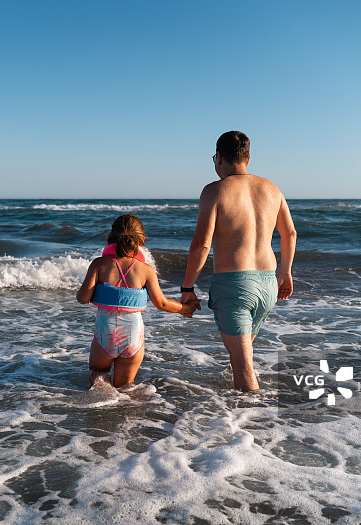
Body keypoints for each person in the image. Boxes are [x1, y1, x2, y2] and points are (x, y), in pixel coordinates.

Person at [180, 131, 296, 392]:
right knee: (241, 356)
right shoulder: (271, 189)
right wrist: (286, 272)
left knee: (243, 364)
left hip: (234, 285)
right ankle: (240, 416)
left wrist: (187, 288)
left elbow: (201, 244)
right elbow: (289, 232)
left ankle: (253, 422)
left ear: (218, 157)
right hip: (267, 284)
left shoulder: (215, 191)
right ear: (248, 158)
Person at [77, 214, 201, 388]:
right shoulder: (146, 270)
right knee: (126, 387)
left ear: (112, 235)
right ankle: (126, 412)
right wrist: (186, 307)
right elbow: (162, 303)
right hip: (132, 336)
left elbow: (83, 298)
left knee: (98, 375)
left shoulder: (99, 264)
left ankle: (102, 403)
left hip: (106, 332)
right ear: (142, 239)